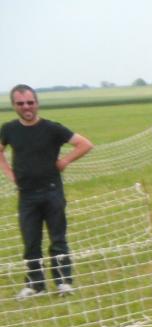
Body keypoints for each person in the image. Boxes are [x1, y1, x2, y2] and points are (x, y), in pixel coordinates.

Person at [0, 85, 93, 299]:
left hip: (52, 192)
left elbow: (85, 144)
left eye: (30, 102)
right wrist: (9, 173)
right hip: (26, 195)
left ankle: (63, 283)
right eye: (21, 103)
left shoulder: (52, 128)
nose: (26, 107)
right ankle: (35, 285)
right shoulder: (9, 129)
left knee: (58, 239)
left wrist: (64, 161)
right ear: (14, 105)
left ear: (37, 103)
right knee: (31, 241)